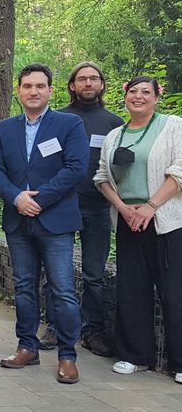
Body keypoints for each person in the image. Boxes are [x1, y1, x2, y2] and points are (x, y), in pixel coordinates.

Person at [0, 63, 88, 385]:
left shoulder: (69, 124)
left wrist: (38, 200)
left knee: (63, 291)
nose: (34, 91)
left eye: (40, 86)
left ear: (50, 91)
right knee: (24, 288)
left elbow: (75, 168)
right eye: (28, 86)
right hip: (18, 221)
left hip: (56, 221)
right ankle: (27, 347)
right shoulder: (5, 128)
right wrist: (17, 198)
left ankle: (67, 356)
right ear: (19, 91)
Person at [95, 76, 182, 383]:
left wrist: (150, 207)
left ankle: (180, 362)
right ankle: (134, 356)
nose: (139, 96)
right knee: (131, 290)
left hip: (166, 221)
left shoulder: (173, 126)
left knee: (175, 291)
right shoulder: (114, 135)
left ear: (158, 96)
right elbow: (102, 177)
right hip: (128, 220)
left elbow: (179, 172)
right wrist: (122, 207)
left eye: (146, 92)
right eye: (133, 91)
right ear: (125, 96)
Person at [35, 62, 123, 356]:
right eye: (82, 79)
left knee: (94, 274)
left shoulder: (114, 124)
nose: (88, 83)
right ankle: (55, 326)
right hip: (59, 207)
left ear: (101, 85)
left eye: (94, 78)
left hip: (97, 208)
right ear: (72, 85)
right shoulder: (57, 119)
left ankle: (92, 330)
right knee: (55, 273)